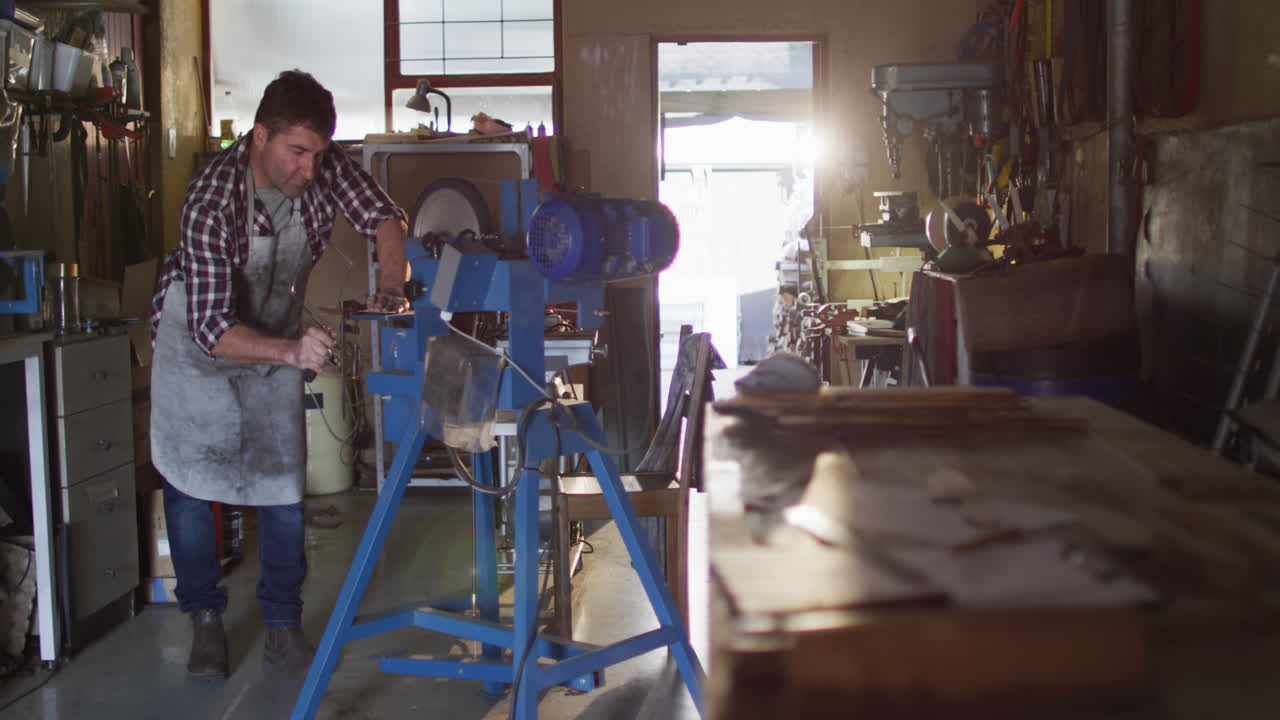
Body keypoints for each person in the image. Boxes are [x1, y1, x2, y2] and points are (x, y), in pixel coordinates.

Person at [148, 70, 410, 678]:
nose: (310, 171)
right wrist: (291, 354)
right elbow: (214, 330)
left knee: (281, 488)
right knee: (192, 486)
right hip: (198, 344)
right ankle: (206, 621)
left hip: (273, 330)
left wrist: (393, 286)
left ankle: (283, 626)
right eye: (297, 154)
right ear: (260, 135)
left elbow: (382, 217)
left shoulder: (319, 157)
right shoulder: (211, 199)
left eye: (318, 155)